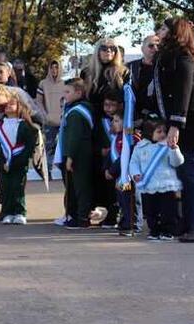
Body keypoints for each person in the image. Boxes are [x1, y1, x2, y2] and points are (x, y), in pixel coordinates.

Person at [154, 17, 194, 242]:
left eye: (164, 28)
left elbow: (183, 94)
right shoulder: (169, 56)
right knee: (184, 174)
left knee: (193, 174)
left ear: (176, 33)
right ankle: (188, 222)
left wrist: (175, 125)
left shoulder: (183, 58)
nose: (159, 31)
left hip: (192, 124)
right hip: (182, 123)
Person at [130, 121, 184, 241]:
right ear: (149, 133)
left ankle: (168, 230)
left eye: (164, 131)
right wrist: (136, 174)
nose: (163, 134)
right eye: (159, 132)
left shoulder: (167, 145)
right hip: (148, 185)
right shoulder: (140, 147)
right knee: (150, 210)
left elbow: (177, 162)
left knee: (168, 210)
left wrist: (175, 150)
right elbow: (133, 162)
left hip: (167, 185)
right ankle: (154, 230)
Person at [0, 92, 37, 224]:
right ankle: (7, 212)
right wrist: (1, 161)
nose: (9, 106)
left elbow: (29, 145)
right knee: (5, 187)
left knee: (18, 187)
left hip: (20, 162)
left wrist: (21, 160)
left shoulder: (25, 125)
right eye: (6, 104)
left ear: (19, 106)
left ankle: (20, 212)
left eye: (12, 104)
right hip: (4, 163)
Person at [59, 78, 94, 230]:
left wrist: (70, 157)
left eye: (68, 92)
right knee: (77, 186)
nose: (65, 95)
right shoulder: (74, 109)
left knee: (80, 187)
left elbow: (74, 137)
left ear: (78, 93)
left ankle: (82, 217)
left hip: (78, 155)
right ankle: (77, 215)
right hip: (81, 154)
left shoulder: (76, 113)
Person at [104, 113, 142, 236]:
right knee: (122, 200)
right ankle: (125, 221)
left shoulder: (131, 138)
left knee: (129, 199)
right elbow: (112, 154)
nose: (113, 123)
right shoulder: (118, 137)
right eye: (113, 120)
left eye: (116, 121)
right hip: (119, 176)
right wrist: (106, 168)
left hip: (128, 176)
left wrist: (112, 170)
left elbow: (127, 156)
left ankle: (133, 224)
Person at [93, 91, 124, 227]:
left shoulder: (124, 123)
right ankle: (109, 217)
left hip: (120, 166)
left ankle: (123, 219)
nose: (109, 109)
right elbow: (95, 139)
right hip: (106, 164)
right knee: (107, 193)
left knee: (121, 194)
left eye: (113, 105)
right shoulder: (101, 122)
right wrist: (100, 150)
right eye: (106, 105)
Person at [37, 60, 66, 174]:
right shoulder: (43, 84)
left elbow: (67, 101)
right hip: (49, 121)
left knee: (62, 146)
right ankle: (47, 170)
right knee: (49, 147)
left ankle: (63, 169)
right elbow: (38, 101)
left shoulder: (64, 84)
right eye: (52, 67)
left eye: (56, 67)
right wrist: (44, 114)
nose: (54, 70)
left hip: (62, 121)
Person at [128, 34, 160, 121]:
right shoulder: (130, 67)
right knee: (128, 134)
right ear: (142, 49)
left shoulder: (165, 69)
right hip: (131, 117)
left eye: (158, 46)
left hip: (155, 120)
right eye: (151, 46)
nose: (155, 48)